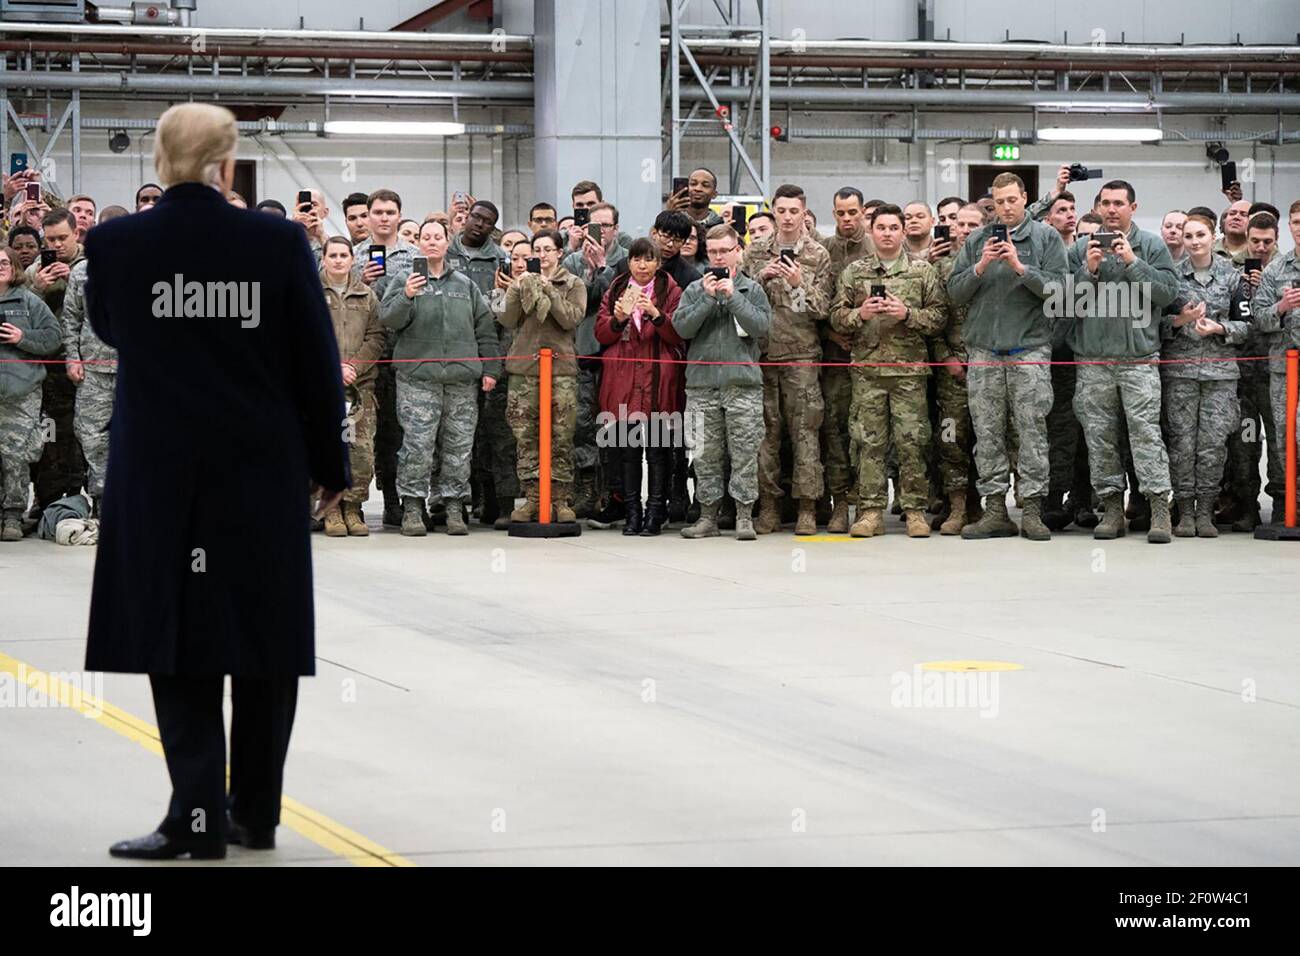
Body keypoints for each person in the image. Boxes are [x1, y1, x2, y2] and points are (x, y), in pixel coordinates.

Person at [86, 102, 350, 860]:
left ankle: (194, 818)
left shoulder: (115, 244)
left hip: (160, 475)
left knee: (178, 640)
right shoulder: (277, 243)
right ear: (227, 163)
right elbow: (313, 361)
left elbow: (110, 330)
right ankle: (254, 814)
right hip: (259, 475)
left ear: (159, 160)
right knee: (263, 643)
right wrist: (331, 469)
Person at [948, 171, 1068, 541]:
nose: (1006, 208)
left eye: (1012, 200)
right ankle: (995, 511)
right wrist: (981, 265)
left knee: (1031, 433)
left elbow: (1060, 291)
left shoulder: (1046, 237)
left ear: (1024, 197)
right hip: (984, 351)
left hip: (1028, 351)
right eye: (998, 202)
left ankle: (1031, 509)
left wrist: (1020, 267)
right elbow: (954, 292)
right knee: (987, 434)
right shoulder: (978, 240)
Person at [1066, 179, 1179, 543]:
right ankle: (1112, 508)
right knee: (1100, 438)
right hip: (1093, 361)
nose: (1112, 209)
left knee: (1146, 435)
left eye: (1119, 203)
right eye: (1106, 203)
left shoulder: (1151, 245)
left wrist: (1132, 262)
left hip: (1139, 360)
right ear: (1097, 207)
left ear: (1133, 206)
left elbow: (1166, 294)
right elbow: (1064, 306)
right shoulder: (1080, 249)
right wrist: (1089, 272)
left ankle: (1159, 507)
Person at [829, 203, 946, 538]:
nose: (888, 234)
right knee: (869, 443)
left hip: (909, 373)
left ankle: (915, 511)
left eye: (894, 228)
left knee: (913, 443)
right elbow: (835, 317)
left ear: (903, 231)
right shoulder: (854, 272)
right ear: (872, 230)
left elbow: (939, 318)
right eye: (881, 228)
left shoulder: (922, 272)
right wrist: (860, 314)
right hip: (867, 372)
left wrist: (907, 314)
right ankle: (870, 511)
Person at [382, 218, 500, 536]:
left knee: (459, 446)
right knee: (417, 446)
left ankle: (453, 505)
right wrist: (407, 295)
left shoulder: (465, 285)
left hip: (461, 380)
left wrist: (490, 369)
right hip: (418, 378)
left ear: (448, 244)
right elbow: (388, 319)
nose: (432, 241)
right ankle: (412, 506)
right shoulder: (405, 279)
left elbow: (485, 330)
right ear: (418, 243)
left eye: (438, 236)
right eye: (426, 236)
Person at [741, 183, 832, 536]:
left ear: (803, 211)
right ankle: (769, 506)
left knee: (806, 433)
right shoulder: (756, 252)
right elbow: (742, 302)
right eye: (781, 210)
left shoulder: (817, 254)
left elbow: (823, 308)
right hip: (763, 355)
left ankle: (808, 507)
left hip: (802, 356)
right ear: (773, 211)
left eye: (794, 211)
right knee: (765, 436)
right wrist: (761, 279)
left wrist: (798, 283)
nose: (788, 217)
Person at [672, 224, 770, 540]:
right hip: (702, 386)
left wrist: (732, 299)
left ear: (737, 251)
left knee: (744, 453)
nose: (718, 257)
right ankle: (707, 516)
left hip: (742, 385)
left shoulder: (751, 289)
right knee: (704, 455)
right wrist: (707, 298)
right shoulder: (694, 289)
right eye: (712, 251)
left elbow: (760, 326)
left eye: (724, 251)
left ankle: (743, 515)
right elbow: (682, 329)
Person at [1159, 212, 1251, 538]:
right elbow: (1157, 324)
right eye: (1189, 236)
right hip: (1180, 373)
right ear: (1182, 240)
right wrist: (1181, 320)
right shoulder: (1170, 277)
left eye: (1200, 235)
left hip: (1220, 374)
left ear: (1213, 237)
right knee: (1182, 444)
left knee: (1213, 445)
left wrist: (1219, 327)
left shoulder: (1233, 277)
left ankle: (1206, 512)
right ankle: (1184, 511)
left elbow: (1247, 326)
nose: (1195, 242)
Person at [594, 238, 684, 535]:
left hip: (659, 380)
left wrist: (657, 316)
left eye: (648, 259)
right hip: (623, 379)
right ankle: (632, 512)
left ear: (658, 263)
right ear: (629, 262)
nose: (642, 265)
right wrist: (618, 320)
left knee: (659, 450)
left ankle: (656, 512)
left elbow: (679, 334)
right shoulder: (616, 289)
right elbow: (601, 333)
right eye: (636, 259)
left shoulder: (671, 291)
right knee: (627, 449)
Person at [500, 228, 586, 521]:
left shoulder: (572, 283)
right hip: (525, 370)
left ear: (560, 253)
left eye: (548, 249)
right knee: (525, 434)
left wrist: (549, 288)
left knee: (561, 434)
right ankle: (533, 497)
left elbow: (570, 319)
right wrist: (515, 288)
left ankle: (560, 498)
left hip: (560, 369)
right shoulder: (521, 283)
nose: (542, 255)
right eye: (536, 250)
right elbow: (507, 319)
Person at [353, 188, 418, 528]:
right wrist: (358, 279)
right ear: (368, 215)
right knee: (363, 432)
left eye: (390, 212)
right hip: (365, 355)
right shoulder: (354, 254)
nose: (383, 218)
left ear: (398, 215)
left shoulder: (414, 254)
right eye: (377, 212)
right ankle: (356, 502)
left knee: (397, 432)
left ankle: (395, 501)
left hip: (402, 352)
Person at [562, 202, 627, 520]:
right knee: (583, 425)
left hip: (616, 355)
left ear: (616, 228)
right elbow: (577, 304)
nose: (599, 232)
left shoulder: (627, 260)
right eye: (593, 226)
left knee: (615, 427)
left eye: (606, 226)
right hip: (583, 351)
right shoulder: (572, 261)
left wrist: (603, 269)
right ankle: (586, 487)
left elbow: (615, 302)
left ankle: (612, 491)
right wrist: (591, 271)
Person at [818, 187, 875, 530]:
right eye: (841, 213)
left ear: (864, 212)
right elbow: (816, 301)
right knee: (835, 431)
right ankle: (840, 503)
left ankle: (869, 503)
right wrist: (830, 333)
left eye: (853, 212)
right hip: (835, 356)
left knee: (869, 434)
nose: (847, 219)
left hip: (873, 354)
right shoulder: (824, 250)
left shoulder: (877, 247)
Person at [320, 236, 385, 536]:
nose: (338, 260)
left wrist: (353, 368)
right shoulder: (310, 292)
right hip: (322, 387)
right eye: (332, 255)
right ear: (323, 258)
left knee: (360, 452)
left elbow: (376, 337)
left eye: (343, 255)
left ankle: (353, 507)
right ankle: (331, 510)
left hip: (359, 388)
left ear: (351, 259)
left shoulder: (367, 295)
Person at [926, 202, 984, 534]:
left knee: (988, 439)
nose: (963, 229)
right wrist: (946, 357)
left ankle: (986, 505)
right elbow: (932, 321)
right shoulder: (940, 269)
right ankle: (958, 505)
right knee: (950, 437)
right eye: (959, 224)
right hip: (952, 372)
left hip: (989, 367)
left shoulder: (995, 267)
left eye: (972, 224)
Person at [26, 208, 87, 521]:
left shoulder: (92, 265)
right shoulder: (37, 268)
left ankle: (76, 499)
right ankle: (45, 498)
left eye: (63, 238)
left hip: (85, 365)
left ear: (76, 233)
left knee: (83, 436)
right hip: (48, 368)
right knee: (49, 436)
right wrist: (37, 286)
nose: (57, 245)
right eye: (50, 240)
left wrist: (77, 281)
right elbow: (17, 307)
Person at [1223, 212, 1283, 529]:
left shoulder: (1284, 272)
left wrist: (1266, 291)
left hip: (1276, 375)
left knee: (1278, 441)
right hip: (1242, 377)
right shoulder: (1232, 273)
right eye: (1255, 241)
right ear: (1246, 239)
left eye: (1267, 242)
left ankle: (1282, 503)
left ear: (1276, 240)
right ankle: (1247, 505)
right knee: (1245, 443)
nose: (1260, 247)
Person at [0, 247, 60, 541]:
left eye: (4, 262)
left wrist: (22, 338)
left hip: (20, 393)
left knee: (15, 456)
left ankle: (13, 515)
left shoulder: (29, 301)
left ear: (13, 267)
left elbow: (53, 338)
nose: (0, 267)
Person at [1250, 201, 1300, 524]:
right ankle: (1291, 504)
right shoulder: (1275, 271)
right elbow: (1259, 318)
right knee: (1285, 437)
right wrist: (1280, 307)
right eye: (1296, 221)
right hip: (1285, 367)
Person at [62, 254, 114, 516]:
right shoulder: (82, 271)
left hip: (136, 371)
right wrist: (72, 358)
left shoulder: (147, 265)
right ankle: (103, 500)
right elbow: (71, 318)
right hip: (93, 371)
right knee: (92, 438)